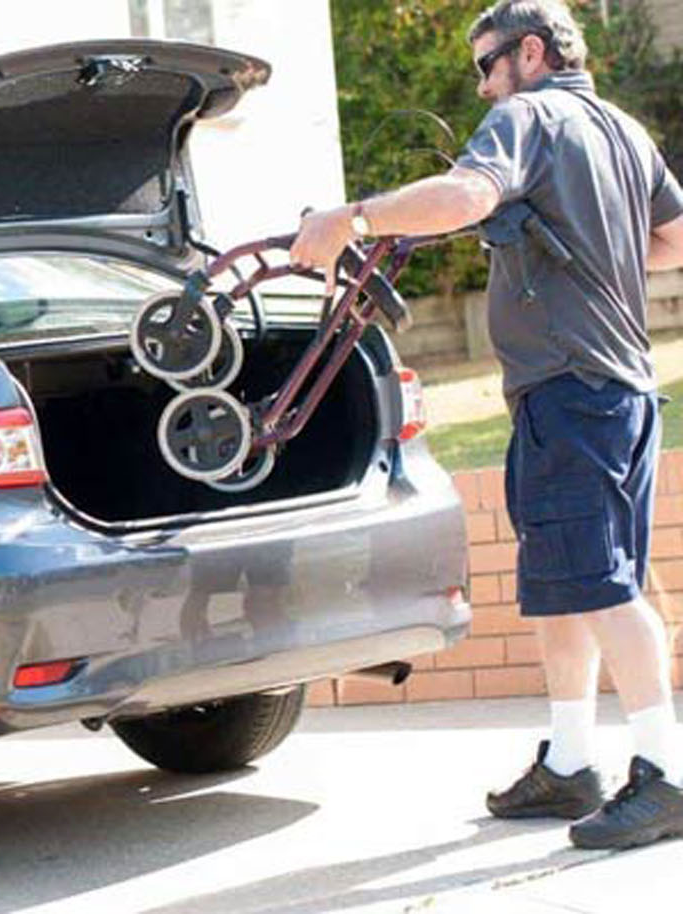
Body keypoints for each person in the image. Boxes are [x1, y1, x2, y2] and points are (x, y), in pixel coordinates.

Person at [290, 0, 683, 851]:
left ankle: (668, 776)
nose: (479, 85)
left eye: (485, 64)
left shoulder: (529, 115)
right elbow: (674, 239)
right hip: (609, 390)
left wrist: (348, 218)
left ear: (530, 53)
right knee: (574, 582)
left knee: (606, 587)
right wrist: (586, 245)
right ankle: (573, 759)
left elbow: (468, 194)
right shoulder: (621, 130)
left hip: (574, 390)